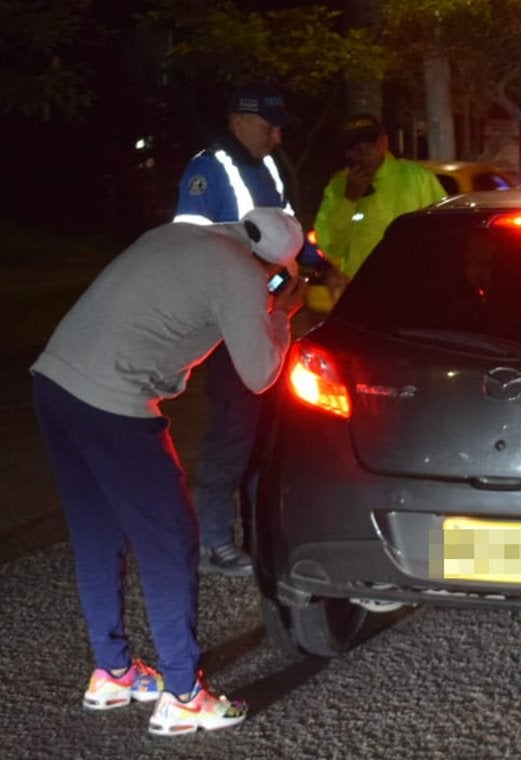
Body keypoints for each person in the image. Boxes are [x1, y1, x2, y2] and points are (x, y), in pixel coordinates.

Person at [30, 207, 307, 735]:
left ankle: (113, 672)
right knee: (172, 539)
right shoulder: (244, 274)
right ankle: (183, 695)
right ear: (273, 261)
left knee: (96, 536)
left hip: (53, 382)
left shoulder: (180, 233)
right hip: (113, 401)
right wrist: (280, 313)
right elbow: (260, 374)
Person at [173, 83, 318, 576]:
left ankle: (259, 532)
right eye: (268, 126)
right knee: (234, 431)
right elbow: (189, 248)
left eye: (280, 127)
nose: (277, 137)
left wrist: (317, 262)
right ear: (238, 121)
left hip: (271, 307)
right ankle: (214, 541)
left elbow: (289, 228)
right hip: (230, 322)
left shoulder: (268, 166)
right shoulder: (208, 170)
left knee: (268, 431)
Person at [314, 114, 448, 281]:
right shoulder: (338, 187)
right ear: (347, 151)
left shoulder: (418, 178)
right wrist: (349, 199)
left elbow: (443, 235)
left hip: (412, 284)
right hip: (363, 287)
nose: (364, 153)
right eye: (355, 147)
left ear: (384, 142)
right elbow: (332, 246)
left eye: (370, 144)